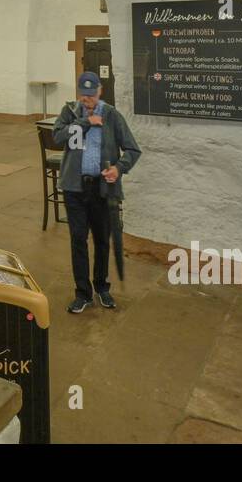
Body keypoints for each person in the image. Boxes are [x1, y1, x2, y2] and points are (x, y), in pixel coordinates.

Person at [52, 71, 141, 314]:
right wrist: (85, 122)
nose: (87, 100)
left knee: (102, 241)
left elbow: (133, 149)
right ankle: (82, 293)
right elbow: (58, 137)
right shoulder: (70, 112)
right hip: (75, 188)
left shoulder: (112, 115)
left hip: (102, 189)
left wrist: (118, 169)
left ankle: (102, 287)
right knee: (78, 240)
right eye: (83, 95)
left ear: (100, 91)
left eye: (91, 95)